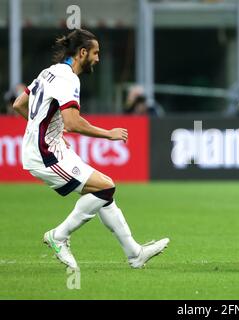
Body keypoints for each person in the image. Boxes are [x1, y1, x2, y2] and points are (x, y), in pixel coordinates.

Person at [12, 29, 169, 270]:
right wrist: (109, 134)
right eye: (95, 53)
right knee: (105, 186)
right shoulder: (68, 79)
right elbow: (73, 123)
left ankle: (134, 253)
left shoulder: (49, 72)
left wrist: (47, 130)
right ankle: (59, 236)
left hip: (49, 148)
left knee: (103, 192)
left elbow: (19, 104)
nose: (98, 58)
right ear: (82, 52)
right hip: (45, 155)